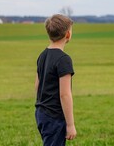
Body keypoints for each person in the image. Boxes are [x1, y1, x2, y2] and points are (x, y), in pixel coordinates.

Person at [35, 14, 77, 145]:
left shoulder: (42, 55)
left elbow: (37, 85)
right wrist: (70, 125)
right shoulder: (64, 60)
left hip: (41, 112)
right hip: (54, 116)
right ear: (68, 35)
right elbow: (65, 94)